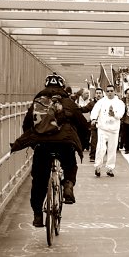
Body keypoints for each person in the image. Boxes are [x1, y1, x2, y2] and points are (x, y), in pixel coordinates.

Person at [11, 73, 88, 227]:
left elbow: (27, 125)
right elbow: (82, 125)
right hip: (64, 143)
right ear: (62, 86)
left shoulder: (38, 102)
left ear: (46, 86)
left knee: (39, 179)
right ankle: (67, 186)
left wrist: (34, 143)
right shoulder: (69, 102)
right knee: (70, 164)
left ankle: (38, 215)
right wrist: (82, 144)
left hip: (42, 145)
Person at [90, 84, 125, 177]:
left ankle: (110, 168)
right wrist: (93, 119)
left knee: (112, 150)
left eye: (111, 91)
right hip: (103, 128)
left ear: (114, 91)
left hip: (114, 129)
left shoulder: (120, 103)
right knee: (101, 148)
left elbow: (121, 114)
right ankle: (97, 167)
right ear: (106, 92)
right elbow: (95, 111)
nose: (109, 93)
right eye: (108, 91)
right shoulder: (101, 101)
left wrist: (114, 114)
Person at [79, 87, 104, 162]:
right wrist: (78, 108)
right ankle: (92, 156)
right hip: (94, 125)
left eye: (100, 93)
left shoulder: (106, 103)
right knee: (94, 141)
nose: (98, 95)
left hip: (104, 126)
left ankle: (101, 156)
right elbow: (84, 109)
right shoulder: (92, 103)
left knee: (103, 142)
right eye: (97, 93)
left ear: (102, 94)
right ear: (95, 94)